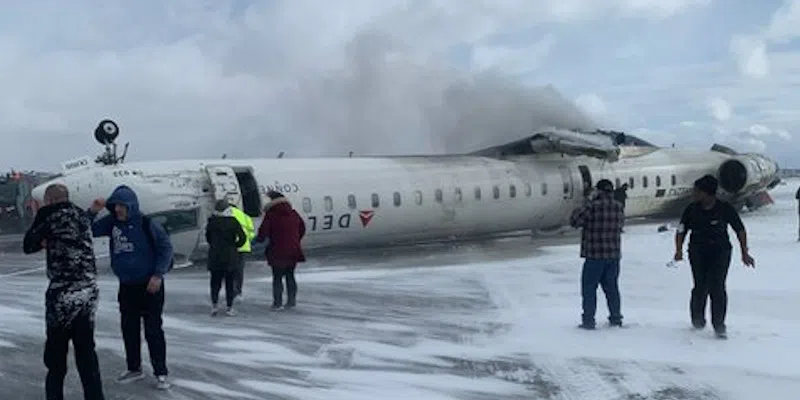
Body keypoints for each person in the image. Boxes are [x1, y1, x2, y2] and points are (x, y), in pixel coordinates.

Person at [22, 184, 105, 400]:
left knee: (56, 358)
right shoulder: (80, 215)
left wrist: (38, 220)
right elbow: (80, 225)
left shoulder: (48, 214)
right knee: (86, 353)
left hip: (62, 293)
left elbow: (28, 245)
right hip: (88, 290)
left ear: (49, 201)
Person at [87, 185, 173, 390]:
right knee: (129, 328)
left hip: (150, 285)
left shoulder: (147, 224)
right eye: (115, 205)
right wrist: (92, 211)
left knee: (153, 330)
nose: (117, 209)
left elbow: (165, 248)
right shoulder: (112, 223)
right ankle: (134, 368)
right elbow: (87, 229)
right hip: (127, 285)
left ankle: (160, 371)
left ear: (131, 206)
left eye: (121, 206)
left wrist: (158, 274)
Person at [673, 174, 755, 339]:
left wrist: (744, 252)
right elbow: (681, 230)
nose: (694, 194)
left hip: (720, 252)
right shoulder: (691, 209)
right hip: (697, 252)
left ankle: (719, 324)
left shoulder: (724, 208)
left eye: (697, 191)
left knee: (717, 287)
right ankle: (697, 320)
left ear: (707, 193)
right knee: (700, 286)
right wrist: (678, 250)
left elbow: (739, 229)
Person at [569, 179, 625, 330]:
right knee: (612, 289)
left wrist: (586, 201)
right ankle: (616, 318)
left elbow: (574, 221)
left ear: (598, 191)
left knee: (589, 289)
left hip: (594, 255)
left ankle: (588, 320)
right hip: (613, 255)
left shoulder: (592, 207)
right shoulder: (618, 207)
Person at [255, 191, 306, 310]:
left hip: (277, 251)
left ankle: (277, 303)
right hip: (293, 250)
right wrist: (295, 240)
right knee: (290, 276)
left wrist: (258, 241)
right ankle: (291, 301)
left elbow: (263, 233)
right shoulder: (294, 213)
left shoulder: (271, 215)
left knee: (277, 278)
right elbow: (302, 228)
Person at [205, 200, 247, 316]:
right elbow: (242, 237)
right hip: (230, 256)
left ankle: (214, 306)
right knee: (229, 283)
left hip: (215, 256)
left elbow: (208, 238)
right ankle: (229, 307)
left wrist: (214, 245)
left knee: (215, 283)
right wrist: (235, 246)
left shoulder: (211, 222)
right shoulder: (233, 222)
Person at [228, 201, 255, 301]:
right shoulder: (245, 216)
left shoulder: (227, 215)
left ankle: (231, 290)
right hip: (243, 247)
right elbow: (251, 233)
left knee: (229, 270)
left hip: (230, 247)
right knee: (239, 271)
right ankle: (238, 291)